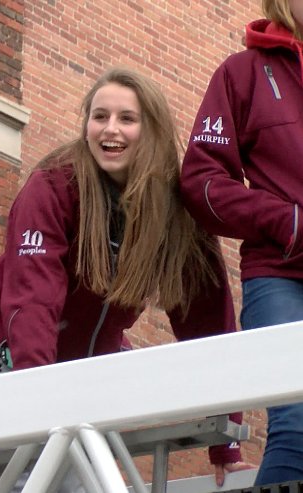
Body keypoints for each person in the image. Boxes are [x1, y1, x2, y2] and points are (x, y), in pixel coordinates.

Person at [0, 68, 248, 487]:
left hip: (90, 360)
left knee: (88, 479)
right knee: (40, 475)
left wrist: (226, 442)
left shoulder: (175, 207)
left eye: (126, 119)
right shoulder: (55, 185)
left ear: (151, 129)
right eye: (99, 116)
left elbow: (208, 320)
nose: (110, 129)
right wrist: (39, 397)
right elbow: (33, 297)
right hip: (8, 351)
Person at [180, 0, 303, 484]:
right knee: (296, 425)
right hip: (281, 276)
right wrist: (285, 221)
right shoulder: (242, 73)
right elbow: (201, 181)